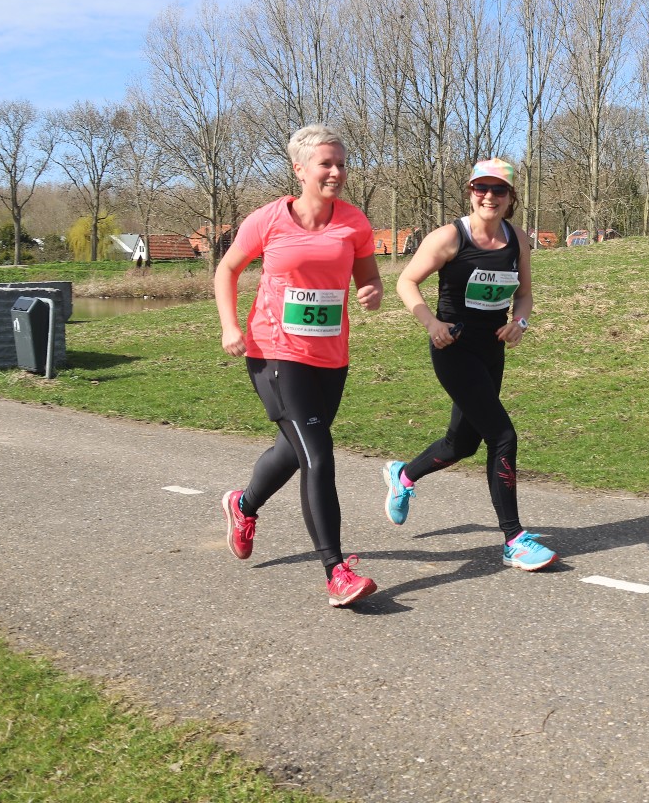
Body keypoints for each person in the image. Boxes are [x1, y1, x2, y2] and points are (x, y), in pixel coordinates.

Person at [215, 125, 385, 608]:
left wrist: (371, 292)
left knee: (294, 449)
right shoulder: (268, 220)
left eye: (341, 164)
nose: (336, 172)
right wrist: (230, 326)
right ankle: (337, 572)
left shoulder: (354, 222)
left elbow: (368, 277)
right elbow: (227, 269)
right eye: (326, 164)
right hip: (273, 352)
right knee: (318, 454)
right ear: (300, 169)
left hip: (330, 357)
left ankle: (243, 504)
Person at [384, 157, 557, 572]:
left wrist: (520, 323)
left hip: (491, 350)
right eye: (482, 188)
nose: (489, 196)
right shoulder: (449, 237)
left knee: (461, 444)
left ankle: (403, 476)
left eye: (499, 190)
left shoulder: (517, 239)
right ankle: (514, 539)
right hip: (454, 348)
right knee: (503, 435)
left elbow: (525, 295)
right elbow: (406, 281)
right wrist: (431, 323)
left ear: (511, 197)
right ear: (470, 192)